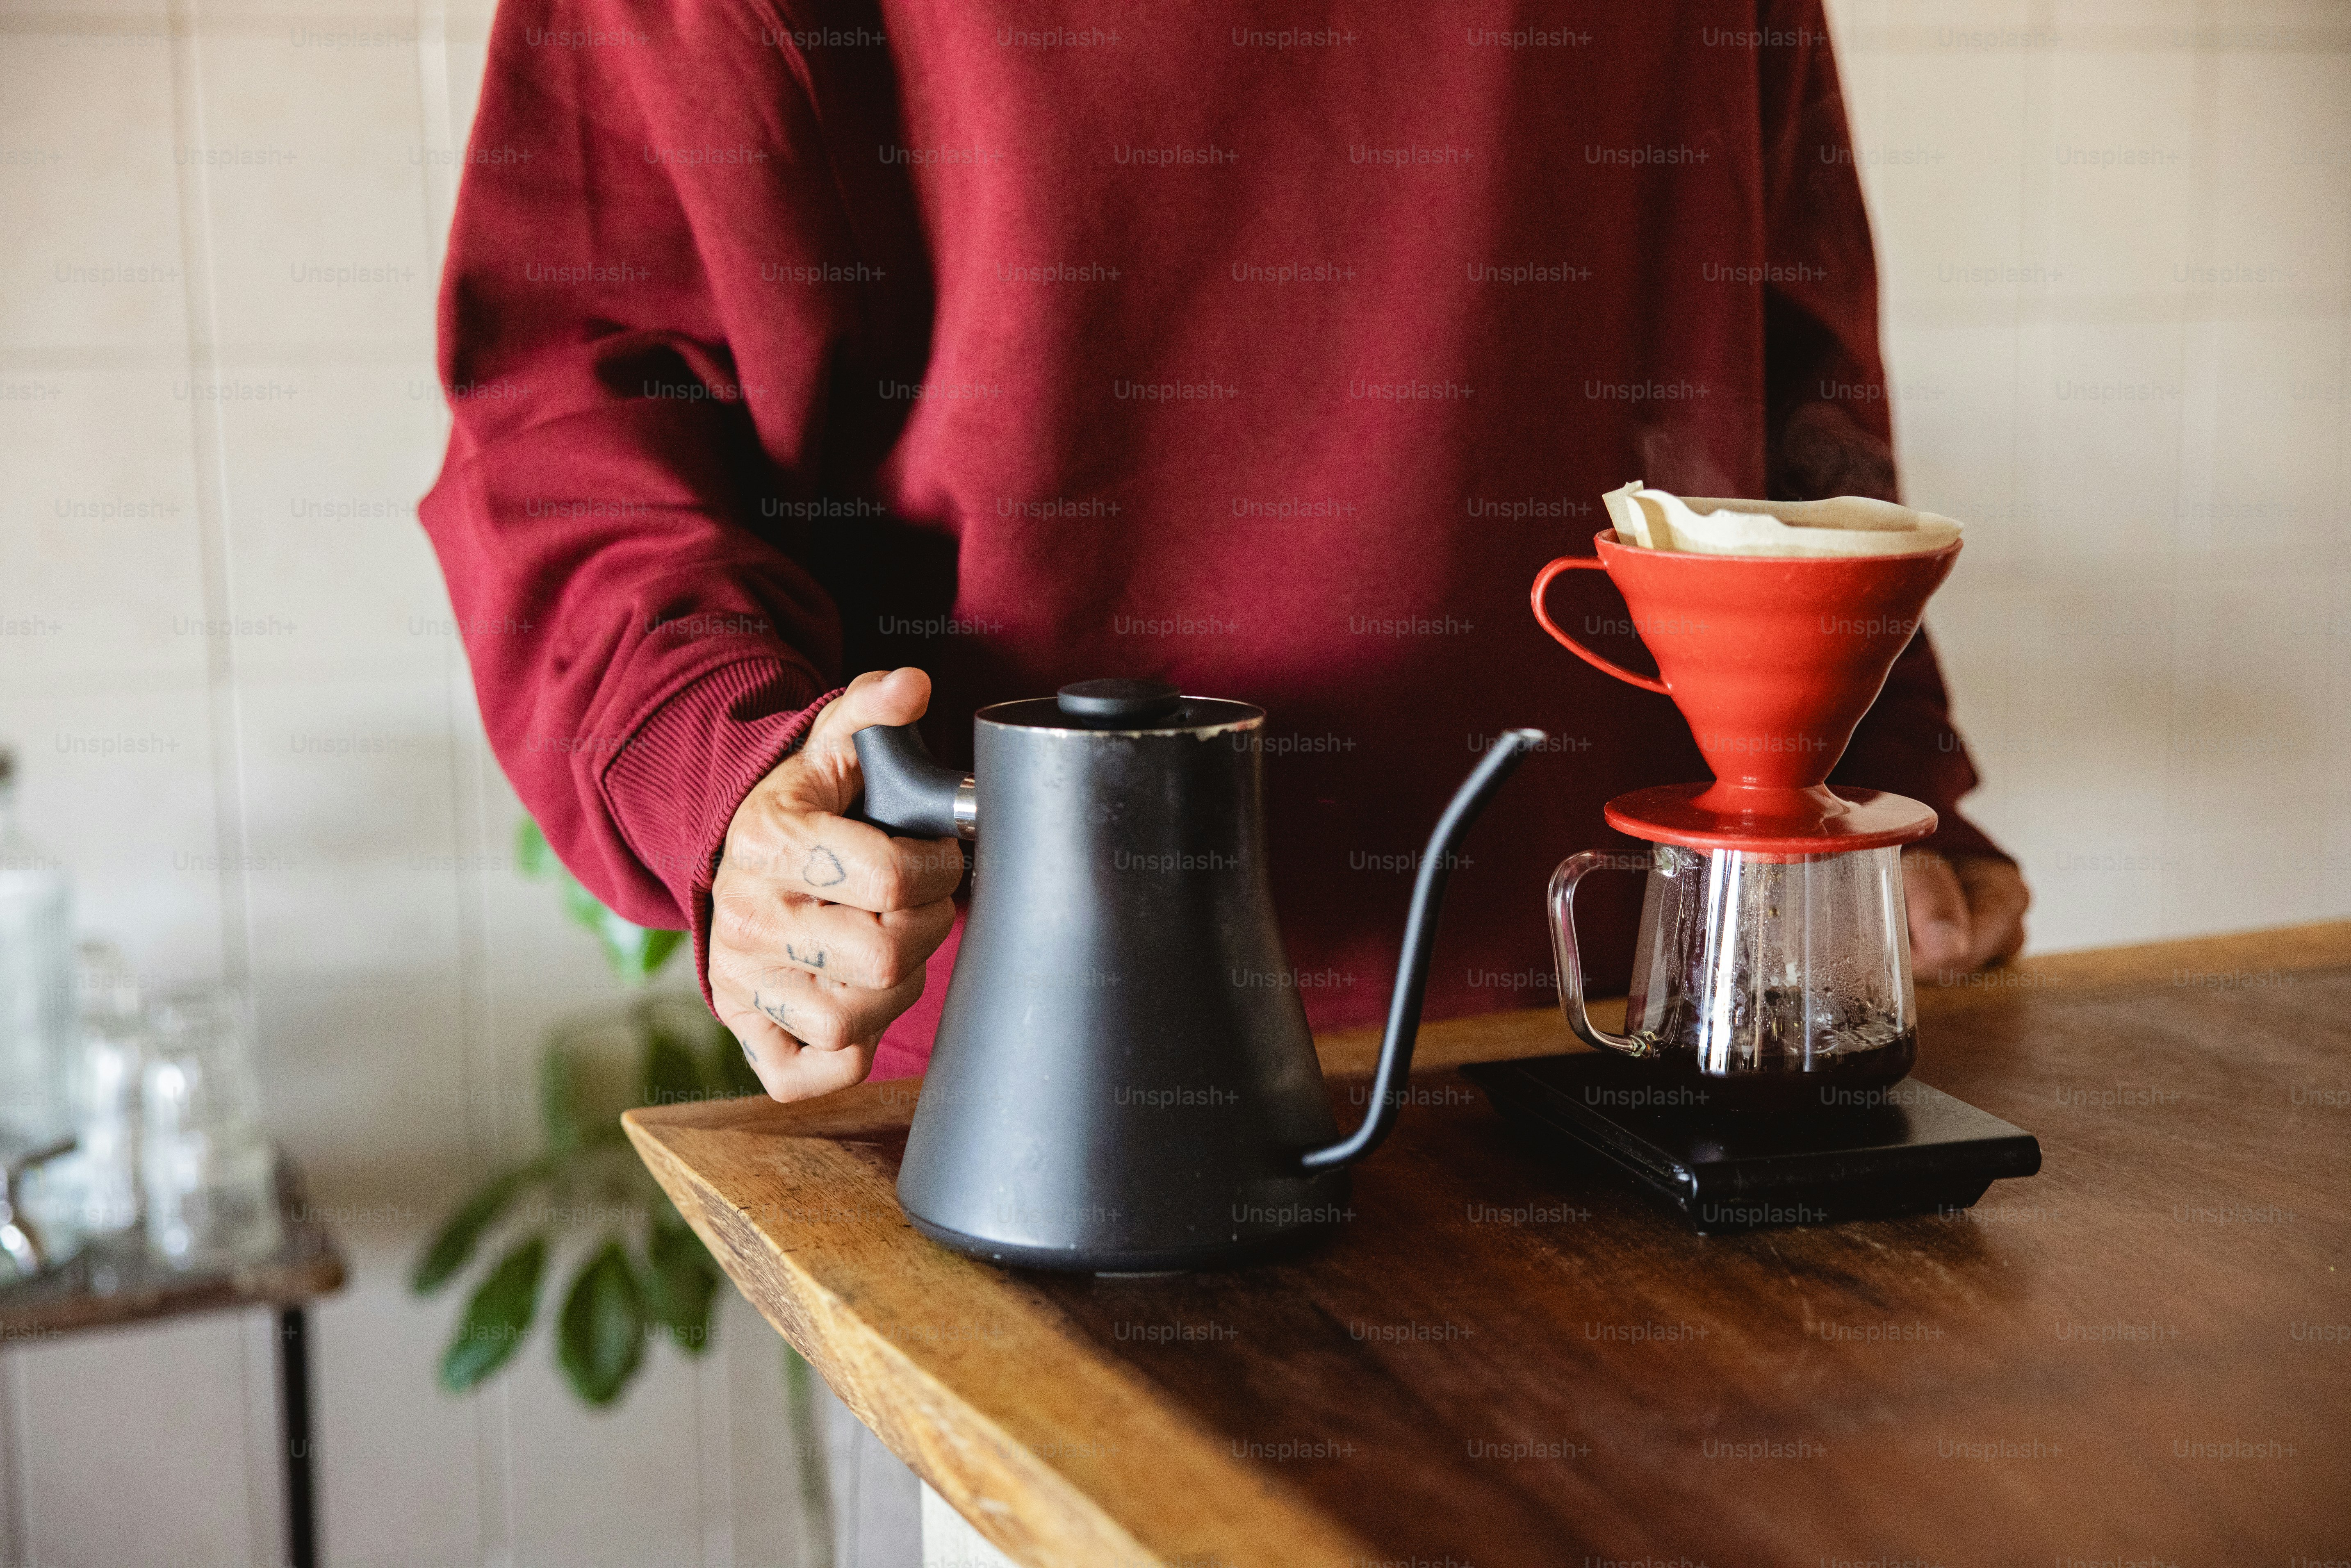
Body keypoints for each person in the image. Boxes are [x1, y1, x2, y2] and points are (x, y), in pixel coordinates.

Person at [421, 0, 2028, 1104]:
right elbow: (593, 402)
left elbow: (1788, 356)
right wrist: (735, 788)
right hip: (1051, 1080)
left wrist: (1877, 779)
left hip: (1674, 1028)